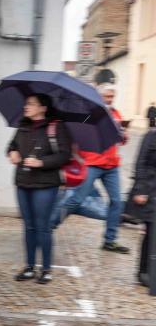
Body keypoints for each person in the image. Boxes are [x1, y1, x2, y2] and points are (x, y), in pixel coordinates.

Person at [56, 84, 129, 254]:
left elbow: (121, 140)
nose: (110, 99)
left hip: (112, 165)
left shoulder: (116, 114)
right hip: (92, 163)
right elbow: (77, 138)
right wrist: (80, 158)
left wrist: (123, 135)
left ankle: (110, 241)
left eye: (112, 96)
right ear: (99, 97)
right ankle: (50, 225)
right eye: (107, 96)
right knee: (77, 199)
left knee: (116, 201)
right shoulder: (88, 115)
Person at [7, 94, 72, 284]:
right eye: (26, 103)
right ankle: (29, 267)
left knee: (43, 226)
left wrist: (41, 162)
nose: (26, 106)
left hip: (45, 184)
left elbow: (65, 155)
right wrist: (12, 152)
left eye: (31, 104)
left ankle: (46, 269)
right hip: (23, 182)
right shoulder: (23, 125)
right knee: (28, 225)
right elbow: (12, 145)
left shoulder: (56, 127)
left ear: (43, 108)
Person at [129, 127, 156, 287]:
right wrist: (140, 190)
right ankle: (144, 271)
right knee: (151, 231)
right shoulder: (151, 136)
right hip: (150, 190)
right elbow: (140, 163)